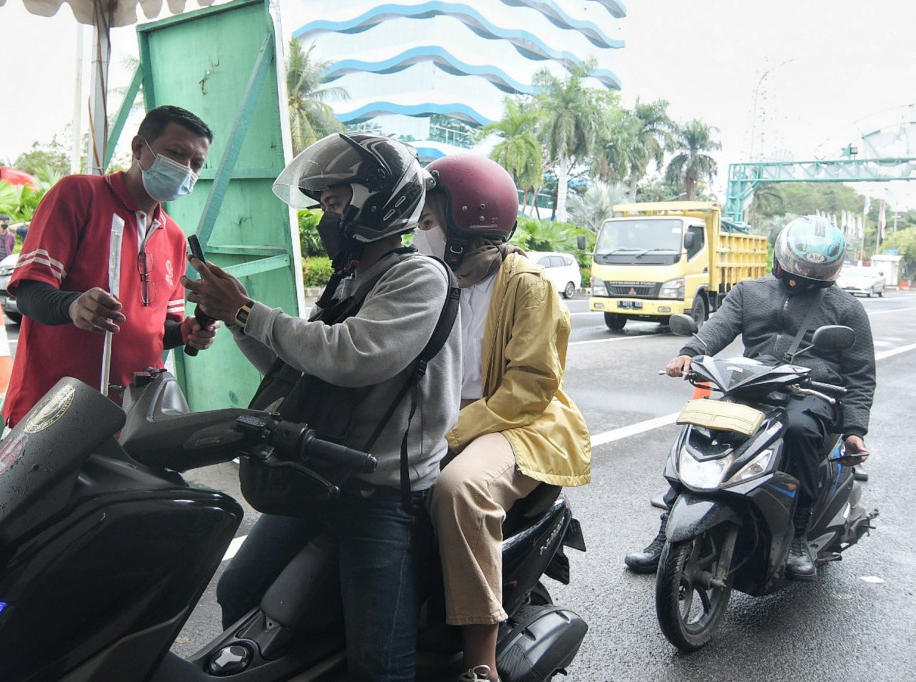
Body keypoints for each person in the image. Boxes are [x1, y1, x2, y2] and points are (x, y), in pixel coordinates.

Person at [185, 132, 461, 682]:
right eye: (326, 206)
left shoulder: (417, 277)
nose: (326, 217)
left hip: (382, 493)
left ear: (377, 202)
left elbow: (353, 356)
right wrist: (236, 317)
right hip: (325, 475)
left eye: (336, 203)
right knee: (241, 590)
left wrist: (246, 312)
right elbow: (307, 374)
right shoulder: (349, 281)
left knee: (379, 664)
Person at [413, 154, 591, 682]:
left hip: (521, 424)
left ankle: (480, 661)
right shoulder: (432, 279)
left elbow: (529, 389)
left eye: (428, 224)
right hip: (448, 417)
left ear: (469, 223)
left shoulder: (528, 285)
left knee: (459, 488)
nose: (419, 236)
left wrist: (449, 435)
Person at [624, 216, 875, 581]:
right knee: (701, 426)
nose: (804, 272)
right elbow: (719, 327)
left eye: (813, 269)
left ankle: (799, 536)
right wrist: (690, 352)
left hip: (811, 394)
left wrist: (854, 428)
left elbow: (860, 374)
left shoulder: (847, 309)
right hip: (754, 385)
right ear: (783, 257)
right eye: (800, 264)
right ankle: (667, 530)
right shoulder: (750, 292)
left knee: (802, 431)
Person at [1, 105, 218, 427]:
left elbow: (159, 332)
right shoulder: (78, 195)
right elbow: (29, 295)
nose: (186, 169)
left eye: (196, 164)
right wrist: (73, 305)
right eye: (175, 153)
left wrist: (185, 332)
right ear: (138, 148)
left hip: (132, 415)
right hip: (54, 410)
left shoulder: (173, 236)